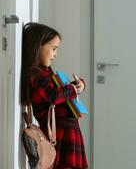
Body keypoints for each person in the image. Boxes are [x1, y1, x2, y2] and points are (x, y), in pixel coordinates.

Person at [20, 22, 88, 169]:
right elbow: (53, 95)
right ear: (38, 47)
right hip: (60, 132)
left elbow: (58, 90)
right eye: (53, 49)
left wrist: (78, 85)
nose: (55, 55)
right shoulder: (36, 74)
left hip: (67, 129)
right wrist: (72, 89)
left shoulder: (45, 72)